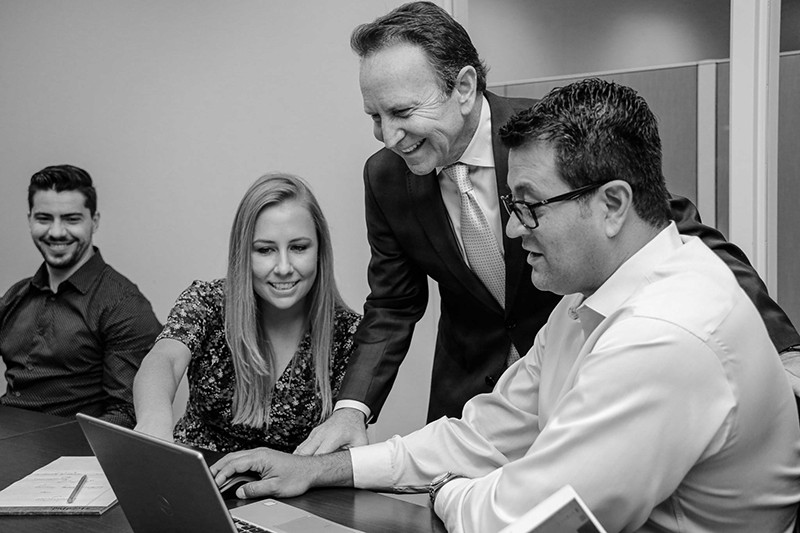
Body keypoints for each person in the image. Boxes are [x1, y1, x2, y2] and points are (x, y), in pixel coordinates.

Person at [211, 78, 800, 533]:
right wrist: (321, 468)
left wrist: (442, 489)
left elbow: (519, 519)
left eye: (529, 205)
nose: (514, 231)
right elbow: (487, 434)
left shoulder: (664, 332)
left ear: (613, 204)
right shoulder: (586, 303)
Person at [297, 0, 800, 455]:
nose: (389, 136)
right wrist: (352, 409)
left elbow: (674, 227)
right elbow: (394, 303)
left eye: (403, 112)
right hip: (473, 393)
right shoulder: (384, 176)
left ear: (465, 88)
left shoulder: (545, 135)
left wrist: (782, 349)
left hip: (576, 376)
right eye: (375, 117)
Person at [133, 173, 361, 453]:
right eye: (265, 250)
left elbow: (346, 445)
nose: (284, 267)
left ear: (320, 250)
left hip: (290, 491)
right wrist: (153, 421)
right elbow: (164, 360)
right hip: (200, 476)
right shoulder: (208, 301)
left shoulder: (350, 334)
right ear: (243, 253)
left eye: (298, 247)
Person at [0, 165, 161, 428]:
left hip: (67, 454)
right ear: (29, 219)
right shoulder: (16, 296)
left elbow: (127, 412)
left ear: (94, 221)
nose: (56, 232)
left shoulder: (124, 305)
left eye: (71, 219)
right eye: (43, 218)